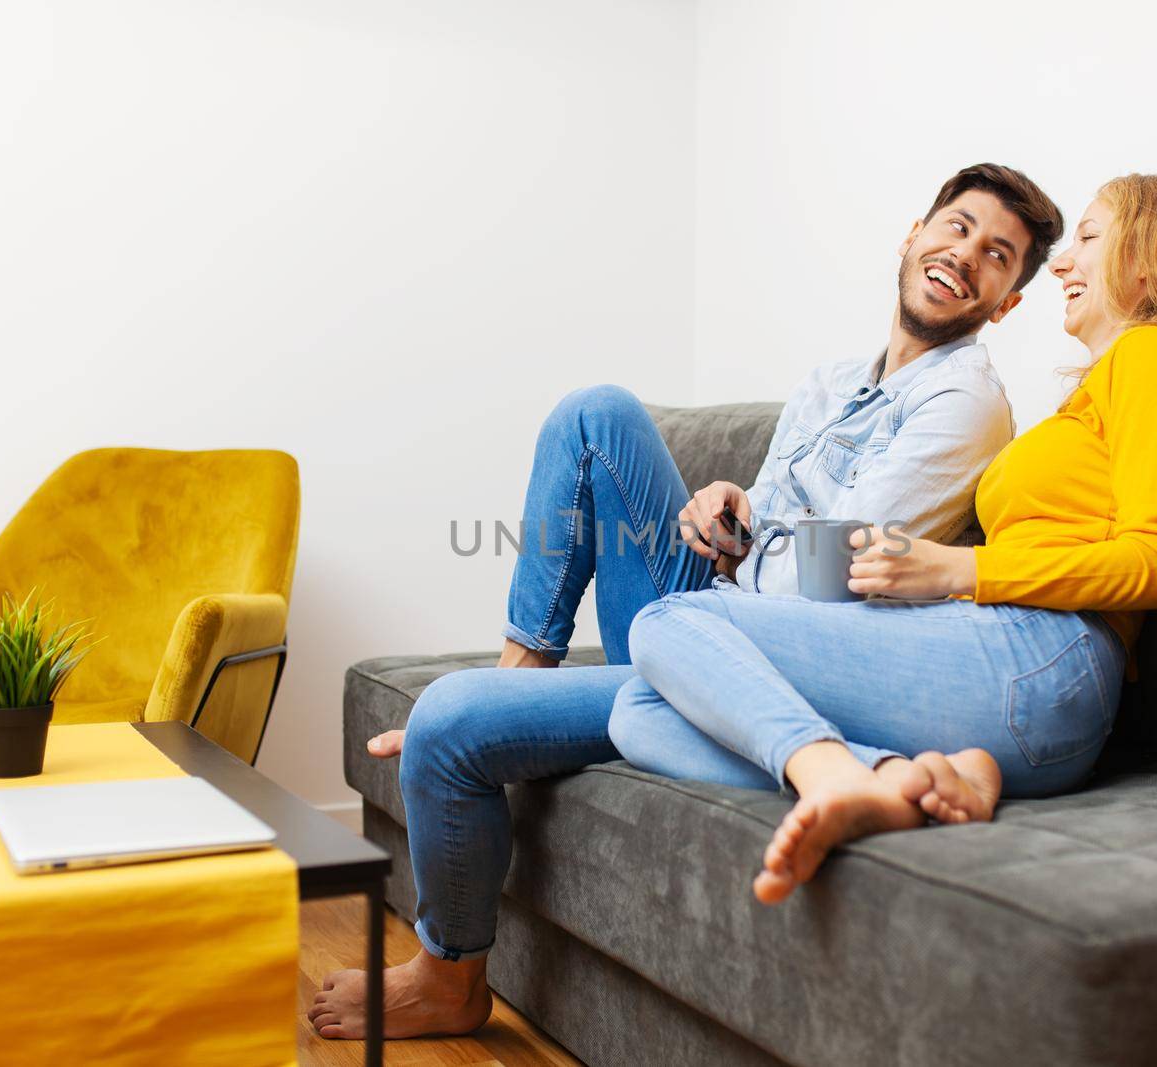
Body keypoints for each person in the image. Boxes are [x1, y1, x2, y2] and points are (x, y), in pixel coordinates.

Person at [307, 162, 1064, 1040]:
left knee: (449, 723)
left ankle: (449, 978)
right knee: (595, 414)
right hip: (711, 609)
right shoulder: (827, 382)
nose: (965, 255)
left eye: (997, 254)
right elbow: (777, 542)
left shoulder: (965, 400)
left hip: (765, 662)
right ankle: (524, 675)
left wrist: (754, 545)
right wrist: (727, 512)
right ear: (914, 233)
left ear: (1007, 301)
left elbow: (836, 573)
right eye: (957, 227)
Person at [609, 173, 1157, 904]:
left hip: (1048, 657)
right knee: (637, 713)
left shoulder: (1155, 356)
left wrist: (955, 570)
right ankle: (903, 777)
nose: (1062, 263)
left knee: (672, 620)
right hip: (1010, 664)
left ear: (1153, 258)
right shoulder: (1106, 383)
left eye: (1088, 239)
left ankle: (834, 773)